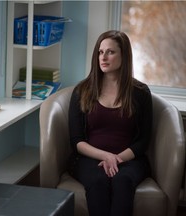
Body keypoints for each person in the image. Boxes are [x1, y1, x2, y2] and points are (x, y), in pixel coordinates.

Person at [68, 30, 152, 216]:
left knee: (122, 181)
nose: (103, 57)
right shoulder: (82, 90)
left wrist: (117, 158)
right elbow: (76, 140)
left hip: (129, 159)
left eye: (110, 52)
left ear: (124, 56)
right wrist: (106, 156)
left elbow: (143, 141)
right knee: (98, 182)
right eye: (100, 52)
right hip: (89, 158)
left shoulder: (140, 92)